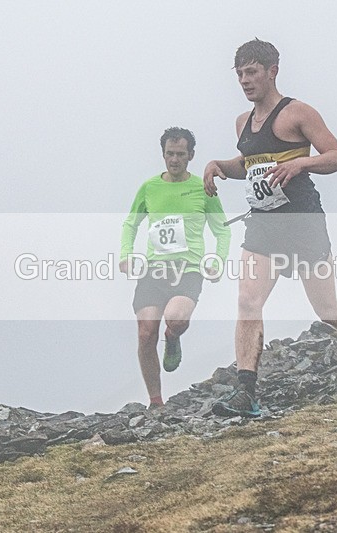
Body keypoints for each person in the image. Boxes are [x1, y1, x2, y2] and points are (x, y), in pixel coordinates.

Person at [203, 39, 337, 418]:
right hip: (264, 224)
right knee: (248, 300)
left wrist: (300, 165)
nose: (245, 81)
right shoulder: (243, 123)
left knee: (326, 308)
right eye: (240, 74)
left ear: (272, 72)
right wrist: (220, 165)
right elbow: (249, 163)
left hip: (303, 221)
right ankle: (246, 393)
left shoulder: (297, 113)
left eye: (252, 72)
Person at [120, 127, 231, 408]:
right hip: (154, 270)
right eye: (170, 154)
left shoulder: (203, 188)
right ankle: (156, 402)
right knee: (146, 334)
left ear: (191, 156)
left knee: (176, 319)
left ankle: (173, 337)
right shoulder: (149, 187)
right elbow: (131, 223)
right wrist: (126, 254)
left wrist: (218, 259)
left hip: (189, 268)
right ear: (163, 154)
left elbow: (222, 230)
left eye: (181, 154)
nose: (174, 160)